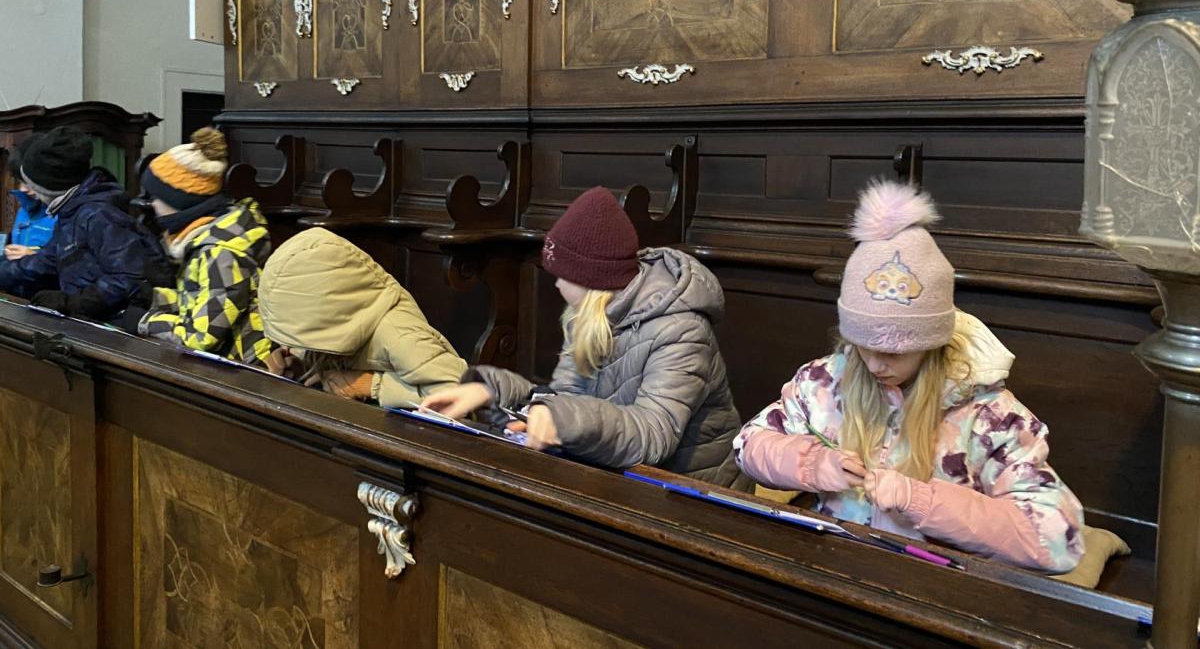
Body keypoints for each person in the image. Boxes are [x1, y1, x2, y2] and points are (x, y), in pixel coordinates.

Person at [733, 180, 1084, 573]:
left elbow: (1059, 540)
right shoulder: (824, 382)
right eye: (861, 345)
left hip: (930, 586)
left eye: (894, 353)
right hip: (832, 568)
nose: (874, 365)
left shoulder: (990, 416)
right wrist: (813, 464)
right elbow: (748, 445)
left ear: (931, 344)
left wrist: (921, 500)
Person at [421, 186, 744, 486]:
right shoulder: (588, 315)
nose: (557, 283)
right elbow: (567, 401)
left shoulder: (681, 329)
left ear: (592, 278)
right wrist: (491, 392)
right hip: (620, 478)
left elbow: (653, 434)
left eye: (563, 275)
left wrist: (562, 417)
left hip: (693, 491)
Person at [256, 228, 467, 403]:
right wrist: (302, 365)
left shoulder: (399, 334)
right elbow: (333, 350)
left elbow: (461, 394)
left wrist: (369, 385)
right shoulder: (343, 317)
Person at [134, 128, 273, 365]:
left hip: (244, 368)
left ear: (179, 201)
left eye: (156, 197)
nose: (152, 204)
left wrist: (144, 321)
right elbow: (200, 301)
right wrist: (153, 298)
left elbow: (201, 337)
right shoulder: (207, 235)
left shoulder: (221, 252)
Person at [0, 126, 164, 321]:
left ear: (48, 185)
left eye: (31, 185)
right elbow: (47, 260)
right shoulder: (72, 210)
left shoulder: (98, 214)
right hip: (87, 320)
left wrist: (72, 303)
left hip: (111, 326)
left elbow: (128, 279)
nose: (28, 191)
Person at [5, 142, 57, 258]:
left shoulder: (67, 213)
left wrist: (34, 255)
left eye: (29, 182)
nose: (23, 189)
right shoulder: (23, 210)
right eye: (20, 182)